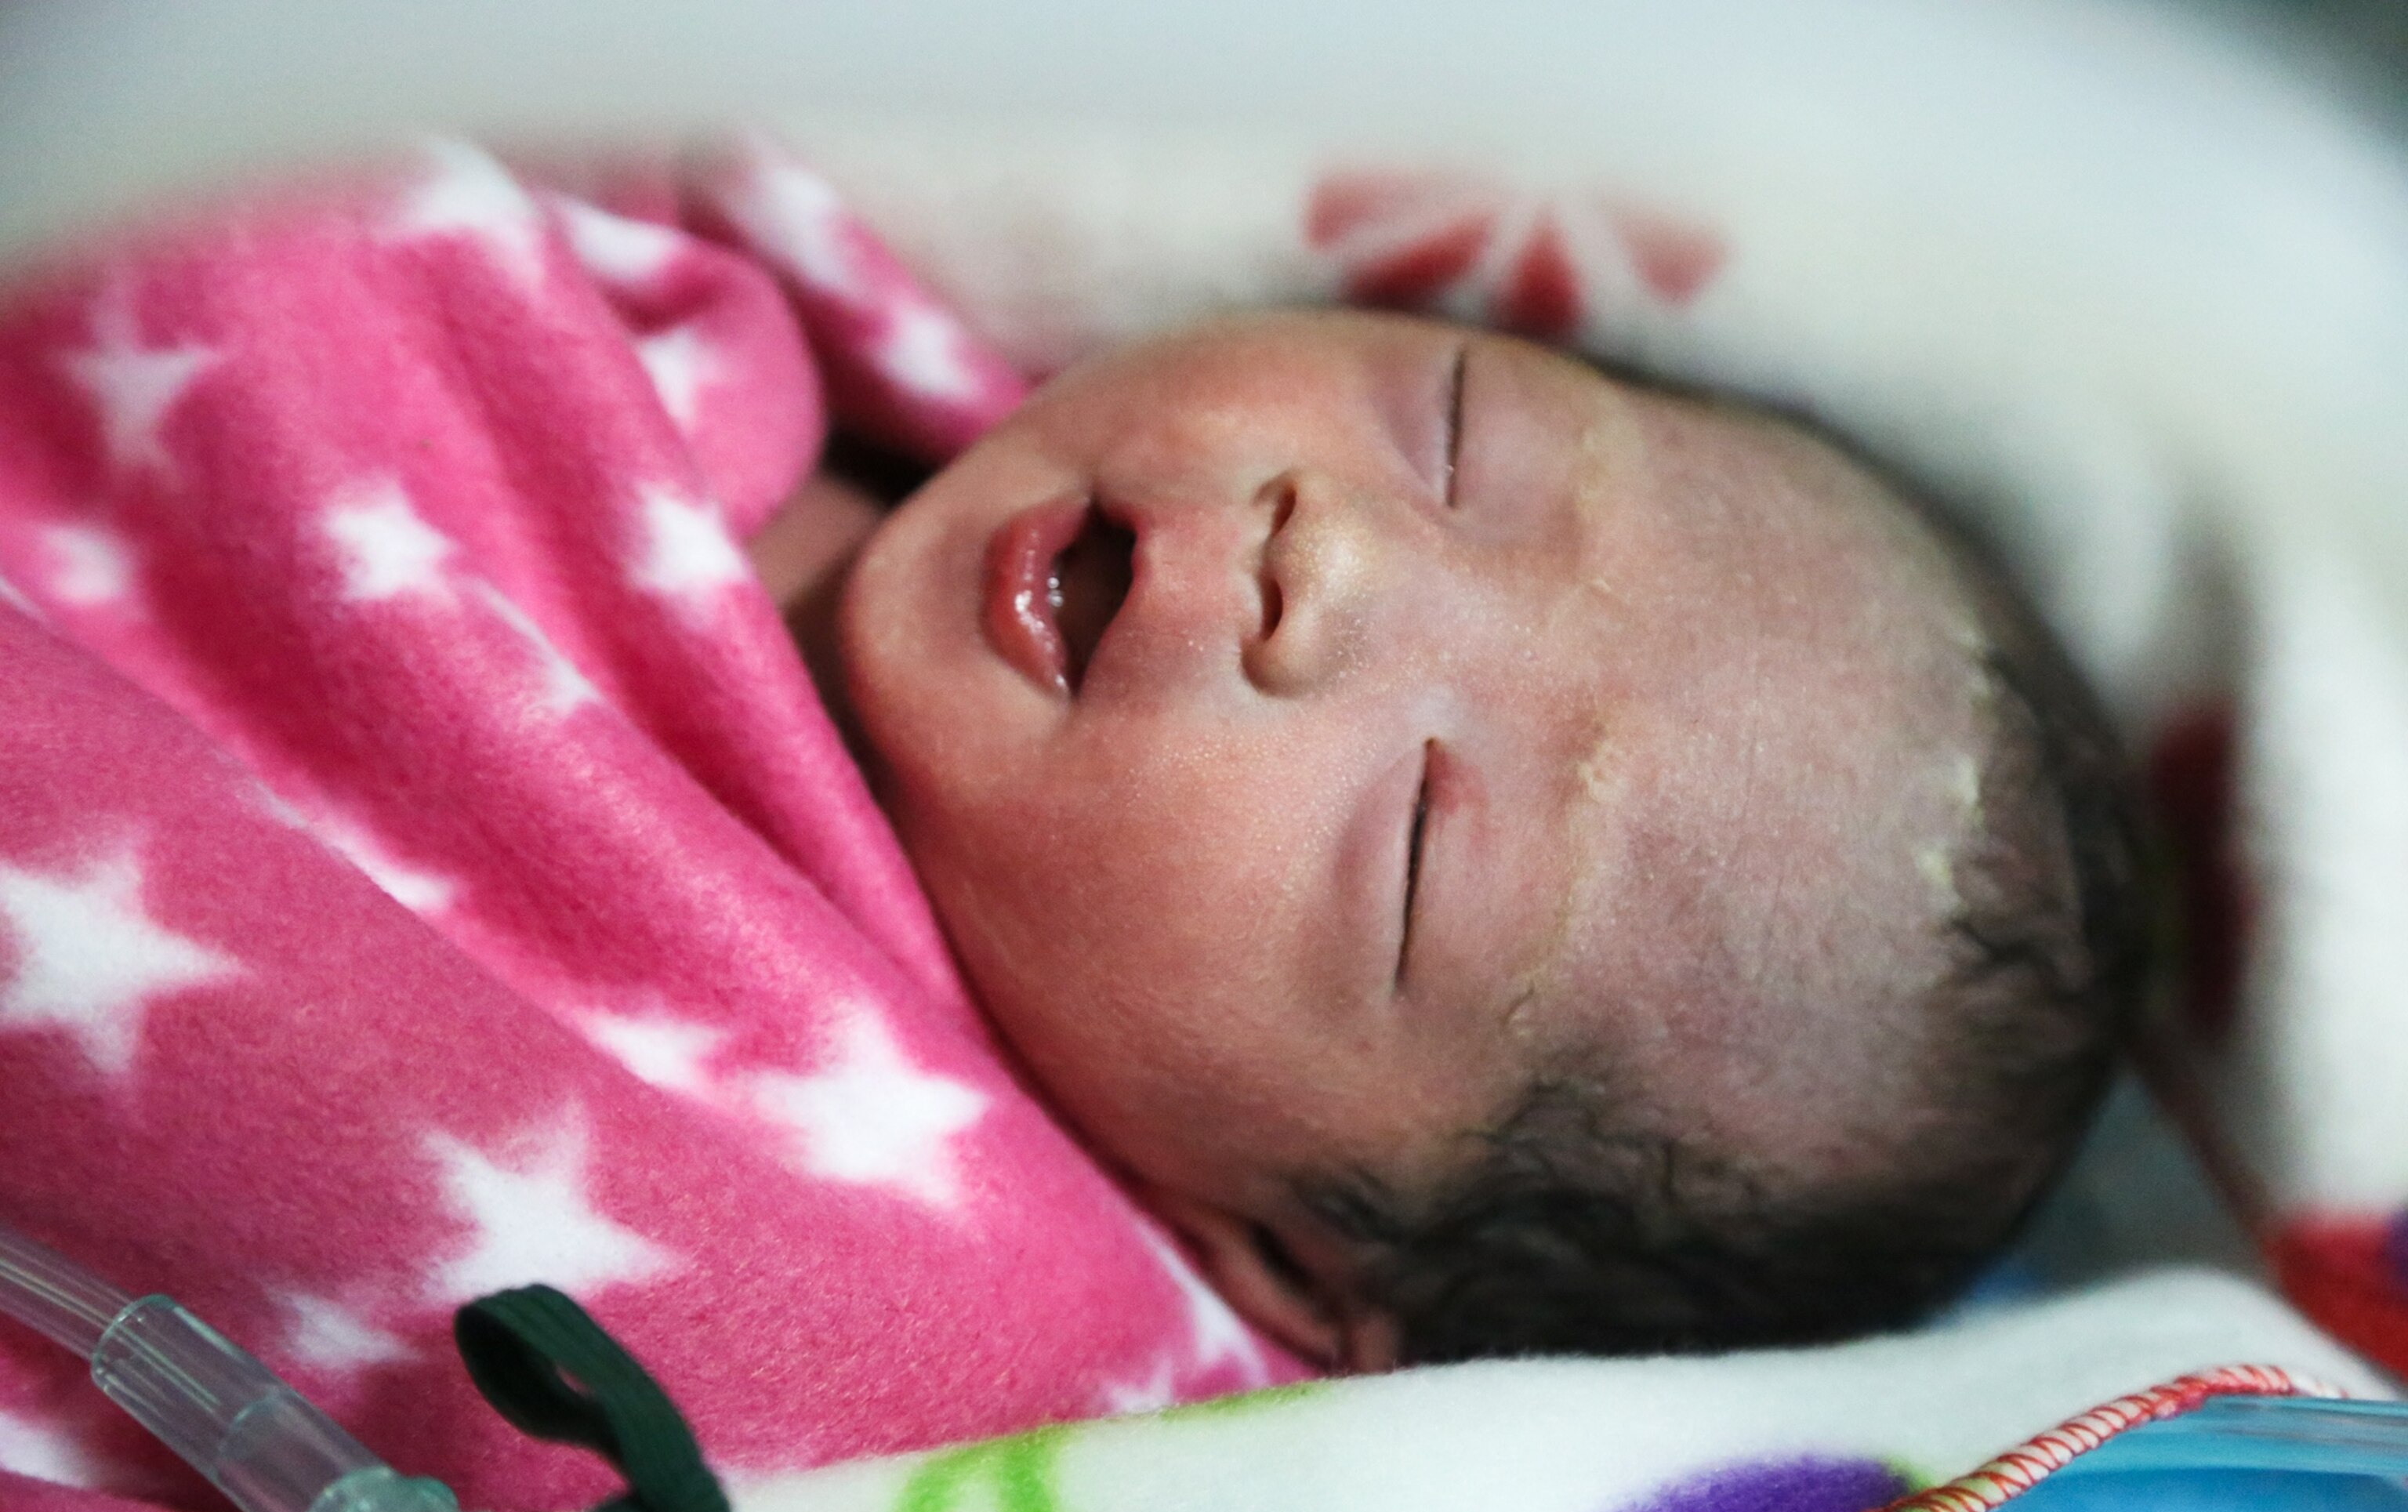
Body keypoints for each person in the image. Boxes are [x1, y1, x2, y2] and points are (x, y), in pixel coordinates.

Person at [755, 307, 2149, 1371]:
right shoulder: (788, 297)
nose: (1332, 554)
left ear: (1292, 1262)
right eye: (1459, 438)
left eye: (1421, 843)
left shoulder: (827, 1241)